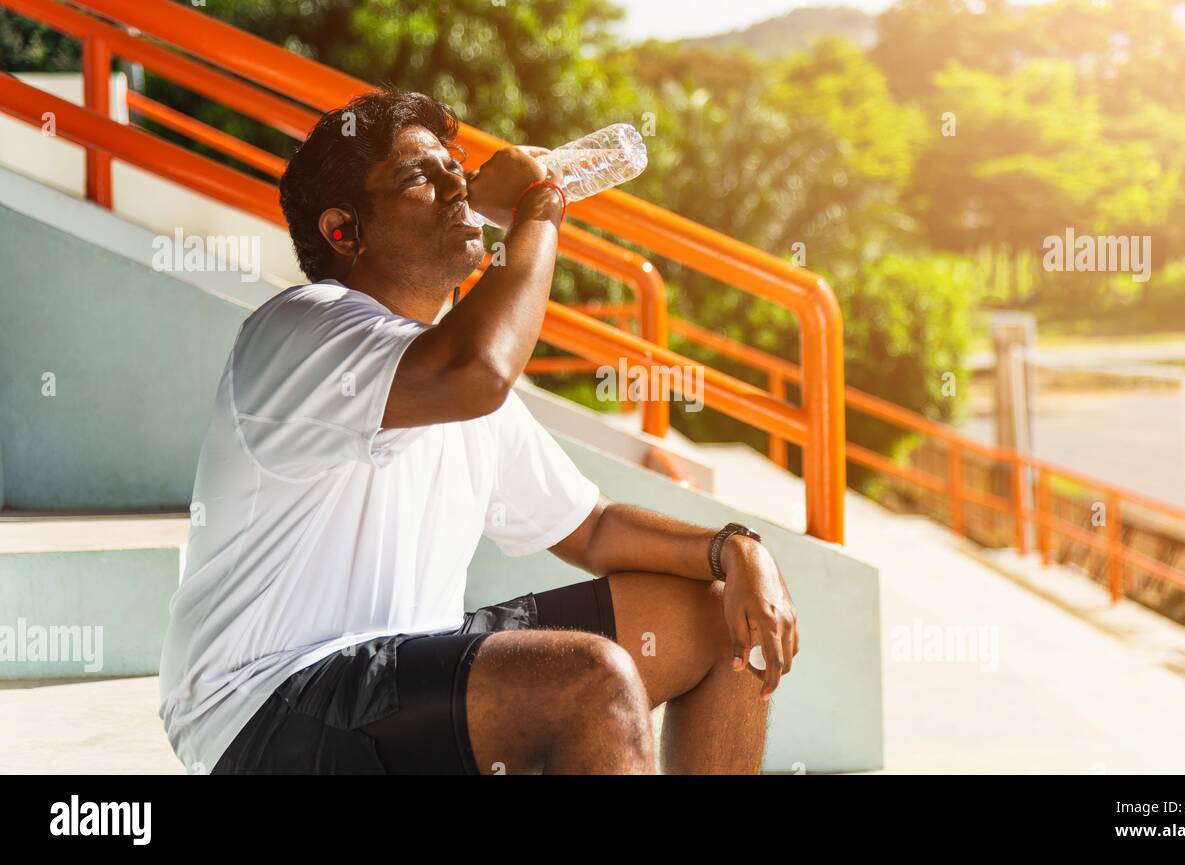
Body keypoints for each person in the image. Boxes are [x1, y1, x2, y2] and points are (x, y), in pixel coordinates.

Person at [158, 86, 799, 775]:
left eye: (454, 166)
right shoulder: (301, 328)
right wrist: (540, 203)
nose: (455, 183)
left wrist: (733, 550)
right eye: (417, 176)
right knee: (592, 680)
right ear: (344, 231)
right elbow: (480, 368)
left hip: (398, 680)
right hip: (264, 709)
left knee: (721, 617)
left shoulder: (449, 373)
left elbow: (593, 528)